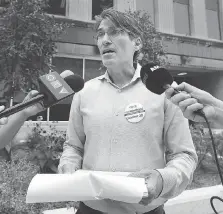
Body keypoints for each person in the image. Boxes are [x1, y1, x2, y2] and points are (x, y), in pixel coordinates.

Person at [58, 8, 197, 214]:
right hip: (90, 209)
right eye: (100, 34)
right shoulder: (84, 92)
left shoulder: (165, 91)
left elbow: (184, 155)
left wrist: (161, 179)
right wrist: (68, 166)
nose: (104, 40)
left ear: (137, 43)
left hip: (147, 210)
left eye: (114, 32)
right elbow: (73, 147)